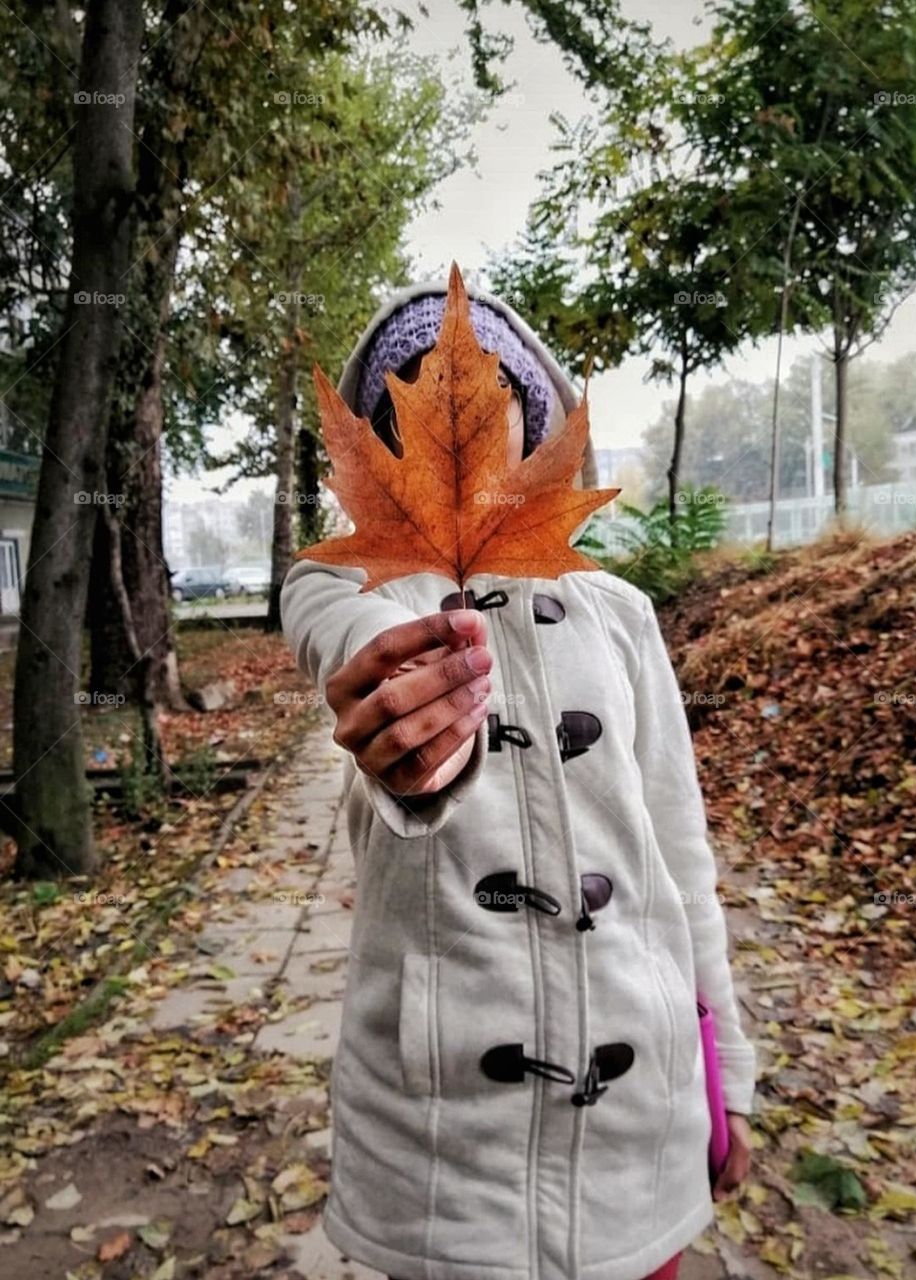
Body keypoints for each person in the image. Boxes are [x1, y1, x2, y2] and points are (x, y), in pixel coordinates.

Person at [280, 279, 757, 1280]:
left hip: (639, 1113)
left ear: (534, 426)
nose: (457, 434)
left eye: (489, 407)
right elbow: (352, 643)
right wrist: (414, 742)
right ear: (379, 447)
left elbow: (679, 848)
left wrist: (731, 1070)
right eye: (414, 409)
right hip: (445, 1140)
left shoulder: (617, 612)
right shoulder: (345, 587)